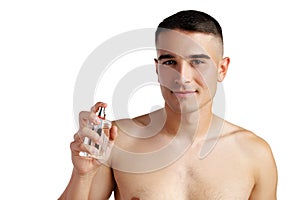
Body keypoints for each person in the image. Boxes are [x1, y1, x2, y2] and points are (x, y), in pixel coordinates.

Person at [60, 10, 277, 199]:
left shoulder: (254, 154)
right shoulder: (117, 141)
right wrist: (82, 175)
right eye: (170, 62)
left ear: (222, 69)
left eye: (198, 62)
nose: (182, 77)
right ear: (157, 68)